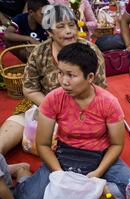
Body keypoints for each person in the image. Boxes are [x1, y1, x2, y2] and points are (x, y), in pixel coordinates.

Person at [14, 42, 130, 199]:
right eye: (61, 73)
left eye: (71, 75)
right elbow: (44, 144)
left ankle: (82, 191)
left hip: (99, 157)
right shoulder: (53, 99)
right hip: (64, 156)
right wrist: (59, 174)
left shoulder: (109, 103)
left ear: (90, 77)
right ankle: (23, 173)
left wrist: (98, 173)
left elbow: (117, 144)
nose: (64, 81)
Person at [0, 4, 106, 157]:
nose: (69, 31)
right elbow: (30, 89)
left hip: (83, 107)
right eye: (61, 26)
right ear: (49, 31)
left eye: (71, 25)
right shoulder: (39, 52)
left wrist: (70, 111)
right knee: (5, 139)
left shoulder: (91, 51)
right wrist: (51, 107)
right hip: (43, 103)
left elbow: (100, 89)